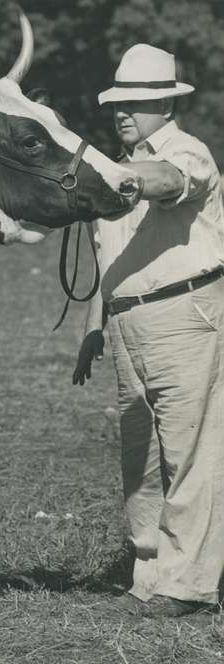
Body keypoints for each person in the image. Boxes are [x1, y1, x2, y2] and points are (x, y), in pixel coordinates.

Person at [73, 43, 224, 616]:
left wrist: (111, 174)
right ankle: (149, 574)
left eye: (137, 103)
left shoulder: (186, 152)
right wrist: (95, 325)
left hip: (186, 315)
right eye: (119, 104)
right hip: (128, 323)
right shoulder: (118, 164)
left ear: (167, 101)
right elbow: (107, 254)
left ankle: (188, 586)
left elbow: (167, 181)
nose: (124, 113)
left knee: (190, 451)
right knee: (140, 454)